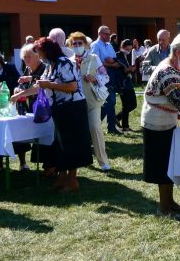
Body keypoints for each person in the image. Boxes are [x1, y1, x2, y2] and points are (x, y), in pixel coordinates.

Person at [141, 33, 180, 219]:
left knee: (168, 164)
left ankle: (170, 202)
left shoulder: (170, 67)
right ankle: (164, 208)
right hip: (157, 124)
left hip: (163, 122)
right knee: (162, 166)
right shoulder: (168, 72)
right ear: (177, 52)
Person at [34, 37, 92, 193]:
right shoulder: (50, 65)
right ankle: (62, 177)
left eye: (39, 52)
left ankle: (72, 181)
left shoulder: (64, 63)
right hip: (59, 109)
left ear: (46, 51)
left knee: (71, 144)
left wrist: (48, 85)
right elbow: (44, 83)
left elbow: (72, 86)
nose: (38, 55)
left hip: (72, 108)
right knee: (60, 144)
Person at [72, 31, 111, 170]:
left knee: (95, 128)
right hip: (75, 102)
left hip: (93, 101)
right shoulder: (70, 61)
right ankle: (81, 160)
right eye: (74, 44)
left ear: (86, 44)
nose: (76, 46)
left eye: (79, 43)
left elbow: (106, 78)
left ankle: (103, 161)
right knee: (78, 132)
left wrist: (96, 78)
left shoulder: (94, 58)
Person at [11, 43, 52, 173]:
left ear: (37, 56)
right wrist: (18, 90)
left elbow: (38, 87)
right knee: (20, 131)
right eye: (24, 57)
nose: (26, 59)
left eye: (29, 56)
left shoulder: (44, 68)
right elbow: (24, 87)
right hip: (28, 108)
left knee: (44, 135)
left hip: (43, 109)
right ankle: (23, 163)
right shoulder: (28, 69)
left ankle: (49, 166)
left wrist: (21, 93)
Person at [91, 25, 123, 135]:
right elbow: (96, 62)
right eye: (106, 34)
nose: (108, 36)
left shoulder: (109, 45)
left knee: (111, 101)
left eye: (109, 34)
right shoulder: (95, 45)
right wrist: (111, 64)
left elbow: (115, 58)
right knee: (110, 101)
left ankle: (111, 126)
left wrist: (113, 62)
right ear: (100, 33)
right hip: (100, 77)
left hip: (111, 75)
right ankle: (96, 123)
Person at [116, 39, 138, 132]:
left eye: (130, 49)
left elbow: (130, 68)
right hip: (122, 84)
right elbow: (123, 70)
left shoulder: (128, 56)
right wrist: (130, 69)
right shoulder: (118, 55)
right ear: (122, 47)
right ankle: (125, 126)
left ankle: (117, 118)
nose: (128, 51)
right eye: (127, 49)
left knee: (133, 104)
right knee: (127, 105)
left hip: (129, 82)